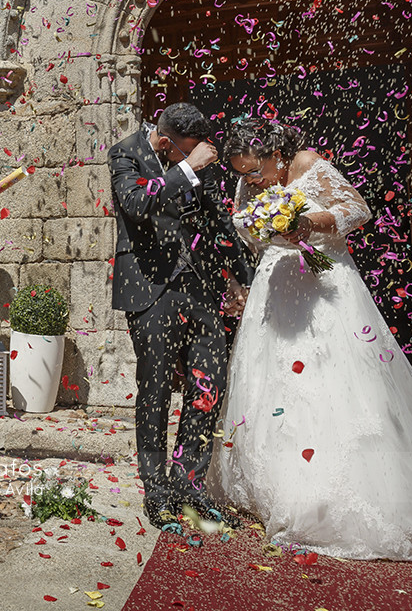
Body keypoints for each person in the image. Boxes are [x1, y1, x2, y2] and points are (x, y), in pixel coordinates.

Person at [211, 116, 412, 559]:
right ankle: (280, 490)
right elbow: (248, 231)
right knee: (274, 386)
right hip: (274, 289)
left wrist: (309, 222)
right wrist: (263, 233)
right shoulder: (249, 184)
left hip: (323, 290)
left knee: (333, 382)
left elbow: (357, 209)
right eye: (242, 174)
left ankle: (344, 493)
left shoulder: (308, 164)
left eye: (254, 169)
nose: (250, 180)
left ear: (274, 152)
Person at [107, 102, 254, 534]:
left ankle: (189, 484)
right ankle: (157, 490)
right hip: (150, 289)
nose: (196, 159)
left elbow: (215, 218)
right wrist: (187, 168)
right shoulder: (125, 152)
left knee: (210, 381)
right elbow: (134, 203)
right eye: (184, 153)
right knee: (154, 390)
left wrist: (243, 278)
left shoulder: (192, 160)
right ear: (167, 142)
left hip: (201, 287)